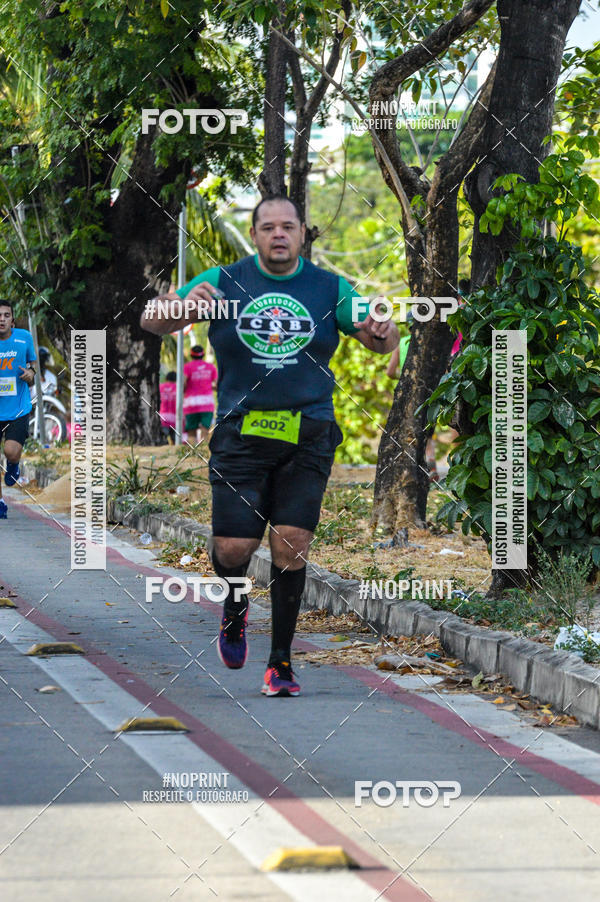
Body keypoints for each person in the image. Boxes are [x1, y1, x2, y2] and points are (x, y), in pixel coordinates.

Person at [141, 195, 398, 696]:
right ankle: (235, 605)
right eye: (268, 227)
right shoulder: (223, 281)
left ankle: (280, 663)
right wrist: (179, 308)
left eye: (288, 226)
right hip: (240, 433)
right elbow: (153, 320)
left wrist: (382, 332)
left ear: (302, 233)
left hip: (309, 432)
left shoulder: (330, 288)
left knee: (291, 544)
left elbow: (378, 337)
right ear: (256, 234)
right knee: (233, 547)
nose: (278, 234)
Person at [0, 300, 36, 518]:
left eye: (6, 315)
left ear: (12, 319)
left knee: (11, 451)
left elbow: (33, 366)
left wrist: (31, 374)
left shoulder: (24, 338)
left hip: (17, 409)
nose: (1, 319)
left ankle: (13, 464)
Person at [183, 346, 217, 444]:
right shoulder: (211, 367)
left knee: (191, 431)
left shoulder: (187, 367)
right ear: (203, 354)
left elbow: (183, 383)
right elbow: (216, 385)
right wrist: (209, 387)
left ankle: (192, 451)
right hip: (207, 403)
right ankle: (203, 449)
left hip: (191, 403)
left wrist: (184, 391)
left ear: (191, 355)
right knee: (205, 429)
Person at [159, 370, 177, 442]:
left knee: (163, 440)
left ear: (166, 378)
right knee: (176, 441)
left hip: (162, 416)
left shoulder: (160, 387)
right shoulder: (178, 388)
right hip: (175, 418)